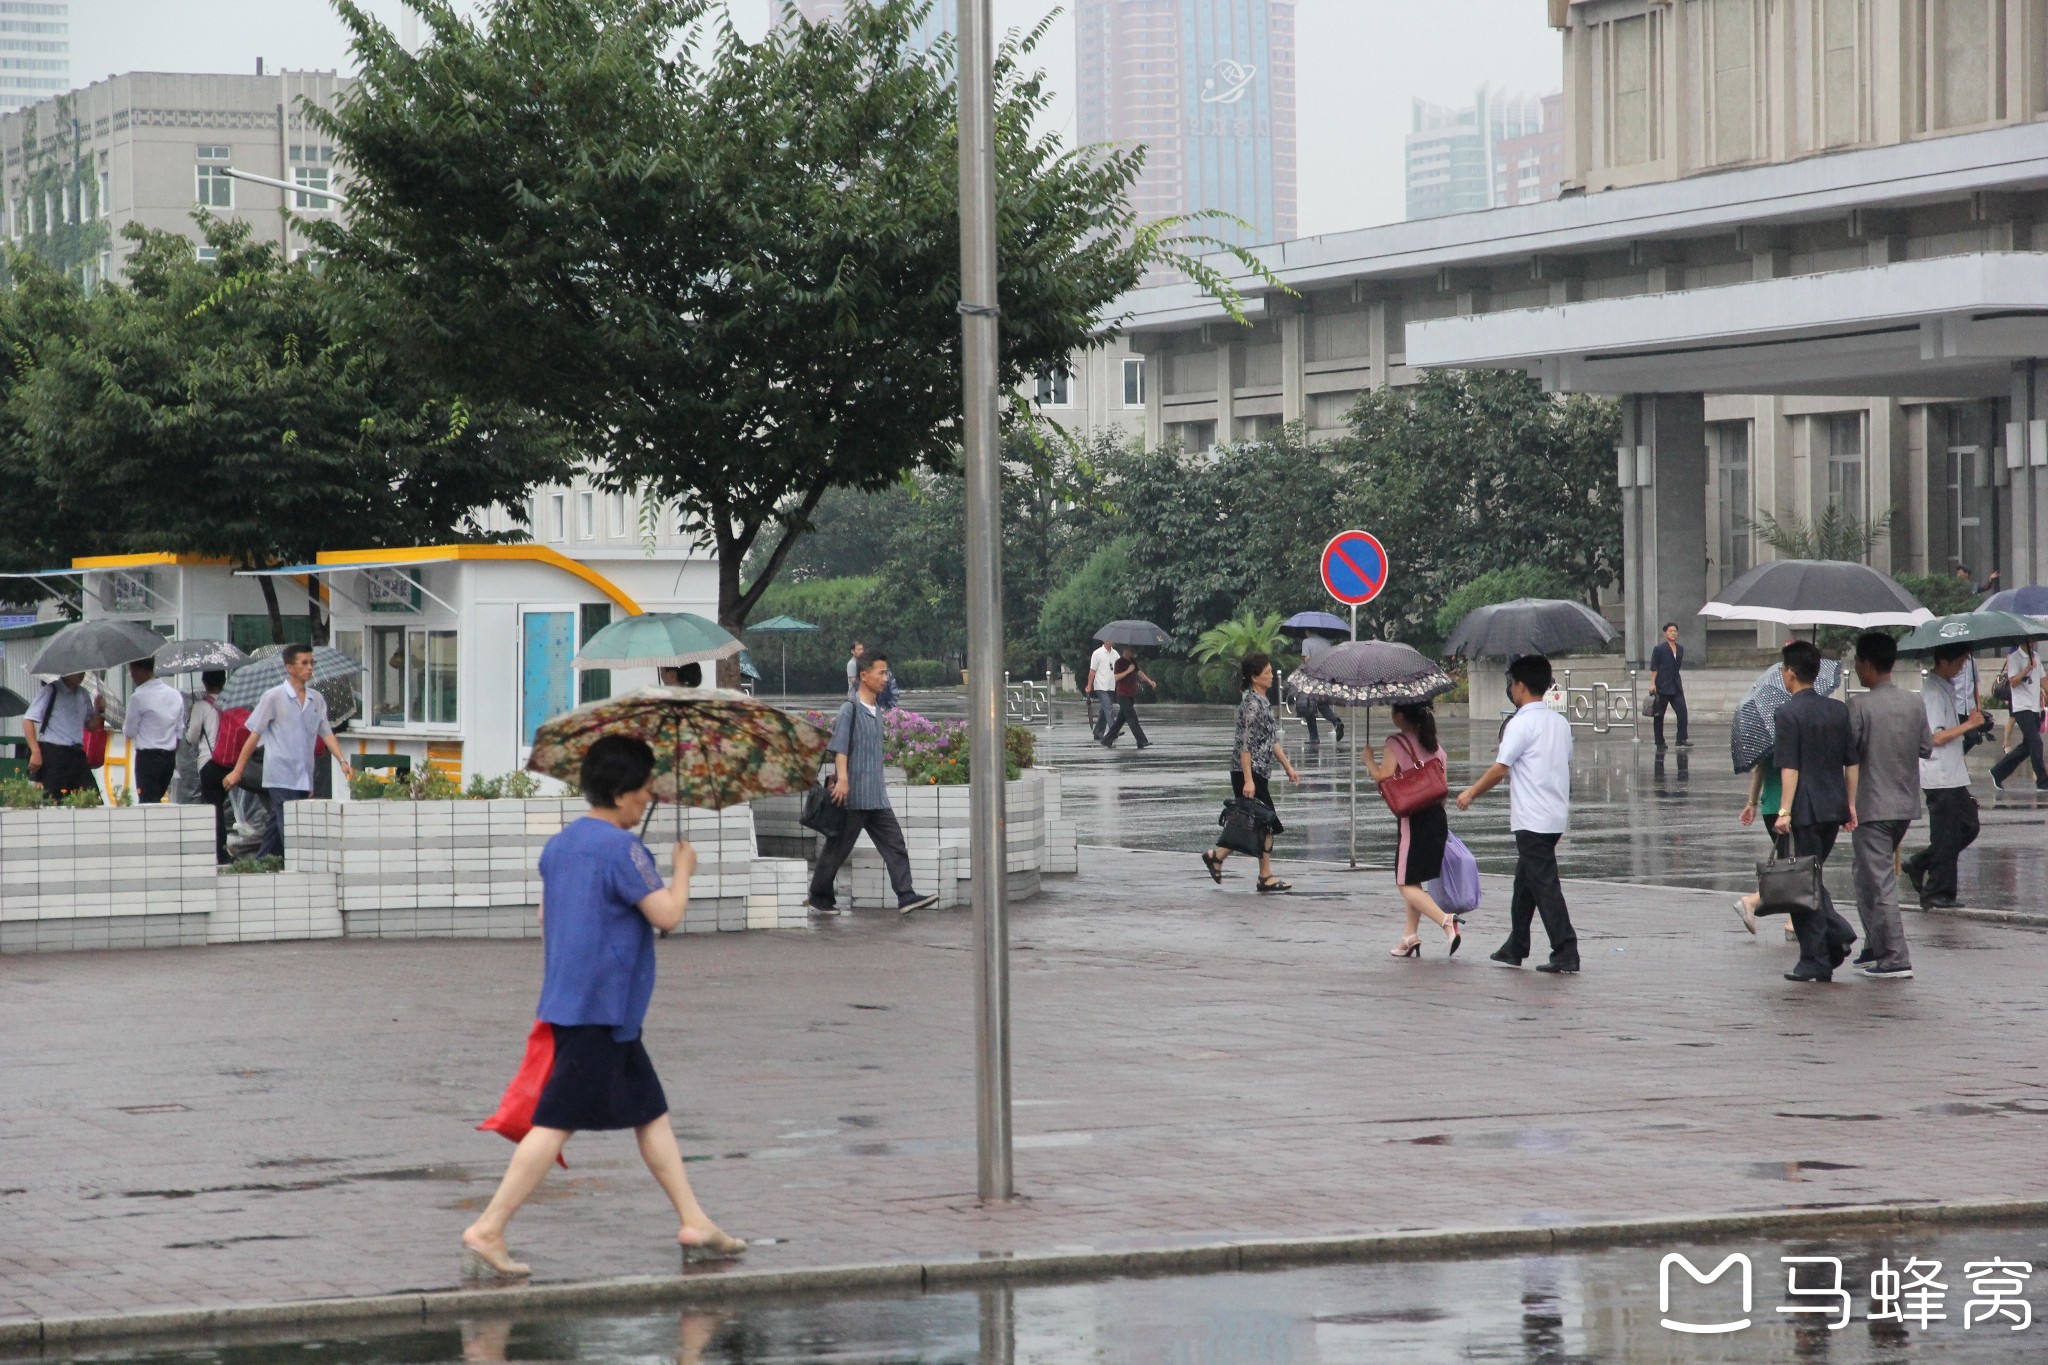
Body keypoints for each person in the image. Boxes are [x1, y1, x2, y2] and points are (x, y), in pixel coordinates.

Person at [460, 734, 745, 1279]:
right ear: (619, 792)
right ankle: (489, 1228)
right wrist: (683, 870)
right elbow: (666, 915)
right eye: (642, 791)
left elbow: (549, 920)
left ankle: (694, 1221)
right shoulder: (623, 849)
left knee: (650, 1114)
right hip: (601, 1009)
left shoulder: (560, 846)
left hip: (580, 1003)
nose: (647, 800)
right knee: (554, 1124)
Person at [1457, 653, 1578, 973]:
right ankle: (1516, 945)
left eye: (1512, 683)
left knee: (1545, 885)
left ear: (1521, 686)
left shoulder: (1520, 723)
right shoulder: (1560, 723)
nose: (1511, 689)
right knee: (1525, 882)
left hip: (1532, 818)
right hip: (1552, 816)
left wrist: (1471, 792)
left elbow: (1500, 769)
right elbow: (1562, 767)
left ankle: (1566, 949)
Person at [805, 651, 937, 916]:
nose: (885, 678)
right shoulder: (849, 708)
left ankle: (906, 895)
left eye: (886, 673)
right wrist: (842, 779)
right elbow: (840, 748)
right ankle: (819, 898)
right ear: (864, 676)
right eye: (881, 673)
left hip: (876, 796)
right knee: (837, 849)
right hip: (853, 796)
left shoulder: (877, 710)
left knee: (895, 844)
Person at [1770, 640, 1859, 983]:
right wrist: (1850, 804)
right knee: (1813, 877)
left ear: (1790, 674)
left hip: (1804, 808)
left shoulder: (1787, 713)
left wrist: (1784, 811)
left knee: (1803, 884)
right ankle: (1829, 947)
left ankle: (1822, 951)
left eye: (1783, 670)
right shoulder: (1838, 710)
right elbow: (1851, 762)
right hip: (1833, 806)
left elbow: (1789, 768)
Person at [1845, 632, 1931, 981]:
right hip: (1905, 802)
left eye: (1857, 663)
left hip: (1872, 804)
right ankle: (1875, 946)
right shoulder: (1914, 702)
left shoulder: (1859, 706)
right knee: (1864, 875)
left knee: (1878, 882)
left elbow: (1848, 752)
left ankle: (1895, 956)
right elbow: (1925, 747)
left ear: (1866, 664)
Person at [223, 645, 354, 860]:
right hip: (280, 774)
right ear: (290, 668)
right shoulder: (273, 697)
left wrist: (342, 761)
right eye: (304, 663)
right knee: (290, 825)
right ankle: (296, 864)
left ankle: (261, 861)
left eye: (312, 663)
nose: (310, 667)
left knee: (278, 820)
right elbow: (254, 736)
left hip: (304, 775)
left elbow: (326, 733)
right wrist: (237, 771)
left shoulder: (317, 699)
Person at [1363, 700, 1461, 957]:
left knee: (1404, 882)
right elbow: (1444, 789)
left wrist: (1368, 761)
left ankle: (1446, 921)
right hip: (1437, 817)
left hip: (1413, 819)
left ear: (1401, 716)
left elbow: (1383, 775)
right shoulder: (1435, 745)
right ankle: (1409, 935)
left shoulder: (1395, 742)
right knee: (1414, 879)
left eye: (1393, 710)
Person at [1200, 652, 1301, 893]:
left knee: (1253, 822)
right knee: (1264, 821)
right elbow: (1245, 745)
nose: (1270, 676)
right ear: (1255, 678)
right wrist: (1248, 780)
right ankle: (1264, 876)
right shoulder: (1252, 705)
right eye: (1266, 673)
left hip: (1258, 772)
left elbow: (1271, 740)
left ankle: (1218, 856)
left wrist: (1288, 767)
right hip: (1249, 771)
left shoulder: (1264, 702)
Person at [1904, 644, 1983, 909]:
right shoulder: (1933, 693)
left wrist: (1972, 722)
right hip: (1939, 774)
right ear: (1944, 661)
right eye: (1959, 663)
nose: (1961, 668)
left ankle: (1921, 863)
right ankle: (1937, 891)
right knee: (1946, 835)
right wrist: (1968, 725)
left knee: (1968, 826)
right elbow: (1934, 737)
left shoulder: (1945, 687)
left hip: (1954, 773)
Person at [22, 671, 104, 801]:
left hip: (77, 754)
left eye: (83, 672)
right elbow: (28, 719)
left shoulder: (83, 694)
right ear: (67, 672)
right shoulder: (51, 690)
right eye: (78, 672)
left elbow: (91, 726)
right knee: (53, 800)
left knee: (92, 798)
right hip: (55, 754)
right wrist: (35, 751)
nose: (82, 675)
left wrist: (98, 711)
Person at [121, 656, 186, 805]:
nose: (132, 676)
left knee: (147, 803)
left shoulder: (138, 697)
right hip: (168, 758)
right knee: (157, 800)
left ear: (138, 670)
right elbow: (179, 731)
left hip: (147, 759)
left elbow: (129, 732)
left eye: (131, 672)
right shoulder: (175, 695)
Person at [184, 670, 233, 863]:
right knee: (224, 807)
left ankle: (219, 853)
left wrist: (189, 720)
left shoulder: (201, 706)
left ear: (204, 682)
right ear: (224, 681)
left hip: (209, 763)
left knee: (214, 809)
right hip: (230, 764)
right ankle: (223, 850)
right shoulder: (231, 702)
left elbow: (191, 738)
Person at [1989, 640, 2045, 791]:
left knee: (2028, 747)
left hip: (2034, 707)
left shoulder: (2037, 657)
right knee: (2036, 743)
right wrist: (2027, 669)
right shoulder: (2014, 657)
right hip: (2021, 707)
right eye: (2030, 640)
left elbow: (2043, 680)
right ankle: (2042, 781)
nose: (2032, 643)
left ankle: (1998, 772)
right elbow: (2012, 681)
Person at [1100, 646, 1155, 749]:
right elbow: (1116, 677)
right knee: (1132, 718)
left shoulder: (1132, 661)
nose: (1131, 652)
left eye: (1132, 650)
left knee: (1120, 720)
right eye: (1130, 650)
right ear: (1124, 650)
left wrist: (1149, 681)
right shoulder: (1119, 662)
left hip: (1130, 694)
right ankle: (1142, 741)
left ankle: (1107, 740)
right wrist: (1128, 671)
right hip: (1122, 695)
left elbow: (1139, 672)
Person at [1296, 633, 1345, 745]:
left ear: (1308, 630)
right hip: (1326, 677)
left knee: (1309, 707)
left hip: (1313, 678)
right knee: (1323, 705)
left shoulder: (1306, 642)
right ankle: (1336, 722)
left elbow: (1307, 660)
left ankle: (1314, 737)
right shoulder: (1326, 642)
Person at [1649, 622, 1689, 750]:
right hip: (1662, 685)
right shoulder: (1659, 649)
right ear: (1665, 633)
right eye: (1670, 631)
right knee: (1659, 715)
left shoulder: (1680, 649)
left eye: (1675, 631)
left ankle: (1681, 738)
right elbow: (1654, 667)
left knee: (1682, 711)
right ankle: (1659, 741)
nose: (1673, 633)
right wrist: (1652, 683)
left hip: (1675, 685)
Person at [1086, 637, 1119, 741]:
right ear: (1104, 641)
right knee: (1108, 707)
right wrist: (1089, 685)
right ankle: (1114, 730)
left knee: (1104, 710)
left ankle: (1098, 732)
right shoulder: (1097, 653)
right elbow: (1092, 671)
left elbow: (1119, 667)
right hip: (1100, 686)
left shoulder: (1115, 654)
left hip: (1111, 686)